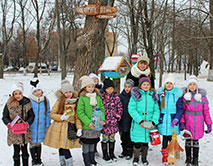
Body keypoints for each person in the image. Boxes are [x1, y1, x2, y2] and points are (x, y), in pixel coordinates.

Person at [44, 79, 82, 166]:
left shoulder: (75, 102)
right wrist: (61, 117)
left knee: (65, 146)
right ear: (63, 93)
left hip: (69, 128)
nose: (68, 94)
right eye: (66, 92)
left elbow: (77, 117)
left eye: (70, 92)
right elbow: (52, 114)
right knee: (61, 147)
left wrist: (79, 127)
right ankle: (64, 162)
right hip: (59, 128)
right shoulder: (59, 102)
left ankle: (68, 163)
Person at [179, 75, 212, 166]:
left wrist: (209, 124)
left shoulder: (202, 98)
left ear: (197, 86)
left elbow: (206, 111)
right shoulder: (185, 97)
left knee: (196, 141)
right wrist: (182, 122)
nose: (192, 86)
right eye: (190, 84)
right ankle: (188, 159)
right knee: (188, 140)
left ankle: (196, 159)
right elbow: (182, 110)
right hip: (188, 121)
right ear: (188, 86)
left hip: (198, 122)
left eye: (194, 84)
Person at [128, 75, 160, 166]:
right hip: (139, 124)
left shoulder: (153, 96)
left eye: (147, 84)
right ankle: (136, 157)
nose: (146, 86)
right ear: (140, 85)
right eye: (144, 84)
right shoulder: (136, 96)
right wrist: (140, 120)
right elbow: (132, 109)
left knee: (145, 142)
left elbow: (156, 110)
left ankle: (144, 158)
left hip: (149, 123)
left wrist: (154, 121)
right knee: (137, 142)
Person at [2, 82, 35, 166]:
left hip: (24, 131)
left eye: (20, 93)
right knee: (16, 152)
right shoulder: (9, 104)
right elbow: (4, 117)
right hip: (14, 132)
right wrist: (8, 123)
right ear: (13, 94)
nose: (18, 95)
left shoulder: (26, 102)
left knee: (25, 152)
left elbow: (32, 115)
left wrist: (28, 123)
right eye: (15, 93)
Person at [77, 75, 105, 166]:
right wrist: (88, 122)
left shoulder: (97, 97)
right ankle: (87, 161)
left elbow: (102, 108)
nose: (91, 88)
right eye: (89, 87)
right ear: (84, 87)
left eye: (92, 86)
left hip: (96, 124)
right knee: (86, 144)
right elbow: (80, 112)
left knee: (93, 143)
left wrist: (102, 119)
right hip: (87, 125)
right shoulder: (82, 98)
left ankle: (92, 159)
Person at [157, 74, 184, 165]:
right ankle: (165, 156)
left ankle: (171, 156)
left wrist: (177, 119)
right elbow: (157, 107)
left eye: (170, 83)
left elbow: (180, 109)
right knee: (165, 139)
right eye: (167, 83)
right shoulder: (161, 95)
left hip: (173, 121)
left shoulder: (176, 95)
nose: (168, 85)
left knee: (172, 139)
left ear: (173, 85)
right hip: (163, 120)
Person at [100, 78, 123, 162]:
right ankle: (105, 154)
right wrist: (102, 118)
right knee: (105, 139)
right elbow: (99, 109)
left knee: (112, 139)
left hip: (113, 122)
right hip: (105, 123)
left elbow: (120, 107)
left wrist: (117, 116)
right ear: (105, 89)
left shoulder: (116, 98)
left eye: (111, 88)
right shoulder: (102, 97)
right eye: (108, 88)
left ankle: (112, 153)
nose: (110, 90)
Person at [29, 79, 51, 166]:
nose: (37, 93)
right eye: (35, 91)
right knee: (32, 143)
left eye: (39, 90)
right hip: (32, 126)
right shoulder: (29, 101)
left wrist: (47, 125)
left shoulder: (45, 100)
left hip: (41, 126)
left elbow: (48, 113)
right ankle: (33, 160)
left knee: (38, 143)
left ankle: (39, 159)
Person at [118, 79, 134, 160]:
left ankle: (129, 152)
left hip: (131, 120)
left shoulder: (134, 96)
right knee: (123, 137)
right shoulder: (120, 96)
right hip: (123, 120)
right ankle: (124, 151)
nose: (127, 89)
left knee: (130, 137)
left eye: (129, 87)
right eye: (126, 87)